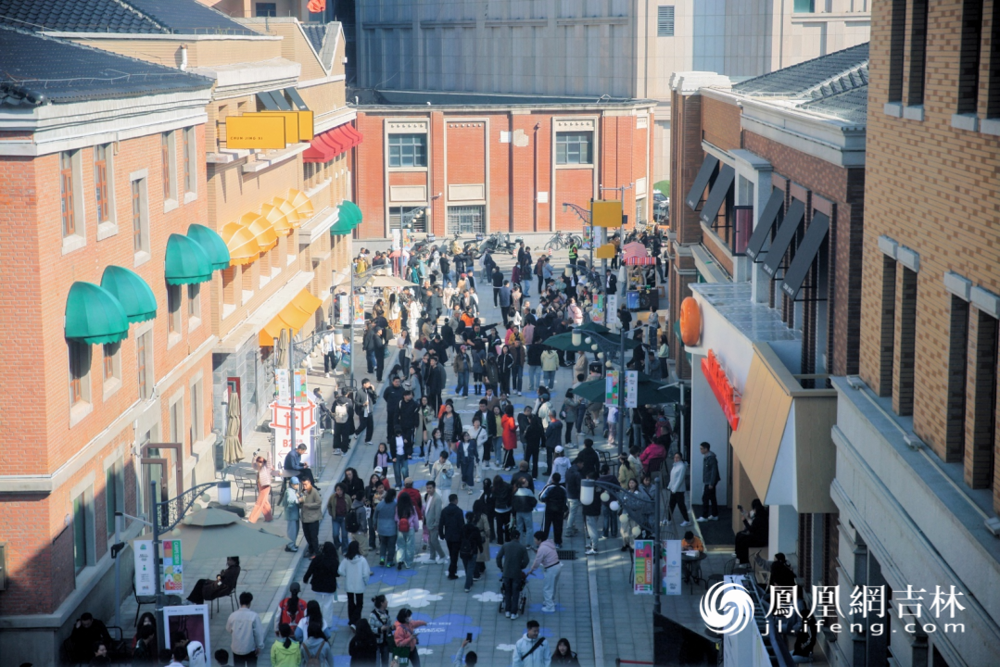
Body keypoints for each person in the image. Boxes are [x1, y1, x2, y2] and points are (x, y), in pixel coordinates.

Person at [303, 542, 339, 623]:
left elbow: (310, 570)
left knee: (318, 603)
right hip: (329, 587)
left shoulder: (317, 559)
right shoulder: (334, 561)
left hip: (317, 586)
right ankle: (327, 623)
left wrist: (305, 579)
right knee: (328, 604)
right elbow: (337, 574)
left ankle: (318, 621)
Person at [496, 531, 529, 619]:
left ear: (510, 537)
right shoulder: (522, 548)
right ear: (518, 537)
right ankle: (513, 613)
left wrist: (501, 567)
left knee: (507, 591)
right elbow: (526, 561)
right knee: (516, 593)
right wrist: (521, 566)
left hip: (506, 572)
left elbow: (498, 557)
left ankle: (507, 610)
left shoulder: (505, 545)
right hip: (517, 573)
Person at [338, 541, 372, 627]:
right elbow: (366, 573)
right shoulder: (362, 560)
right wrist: (365, 582)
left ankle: (351, 620)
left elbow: (340, 570)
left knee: (350, 602)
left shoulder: (346, 560)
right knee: (359, 604)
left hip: (349, 585)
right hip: (359, 585)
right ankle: (355, 620)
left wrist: (347, 575)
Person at [526, 531, 561, 613]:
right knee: (553, 586)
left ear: (540, 539)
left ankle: (550, 606)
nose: (534, 541)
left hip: (551, 568)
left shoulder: (542, 548)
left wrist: (532, 570)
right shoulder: (549, 543)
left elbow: (537, 561)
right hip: (557, 566)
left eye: (535, 539)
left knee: (547, 588)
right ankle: (551, 601)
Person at [226, 592, 264, 667]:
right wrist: (260, 646)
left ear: (240, 602)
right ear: (249, 603)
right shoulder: (254, 616)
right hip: (250, 649)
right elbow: (258, 633)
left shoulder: (233, 615)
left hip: (236, 648)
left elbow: (228, 629)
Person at [735, 499, 769, 565]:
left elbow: (751, 529)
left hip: (759, 540)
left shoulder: (759, 519)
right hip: (757, 536)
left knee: (742, 540)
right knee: (739, 535)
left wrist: (744, 521)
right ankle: (738, 555)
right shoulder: (762, 515)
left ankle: (742, 559)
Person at [440, 493, 465, 580]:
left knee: (451, 552)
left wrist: (441, 534)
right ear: (456, 500)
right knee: (455, 554)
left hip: (448, 535)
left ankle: (453, 567)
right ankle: (452, 572)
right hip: (457, 536)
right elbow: (462, 525)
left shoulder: (444, 511)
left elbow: (441, 524)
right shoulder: (459, 511)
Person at [539, 473, 567, 548]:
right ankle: (558, 542)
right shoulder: (563, 488)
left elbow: (541, 497)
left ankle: (543, 541)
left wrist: (546, 500)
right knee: (558, 526)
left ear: (552, 479)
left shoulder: (548, 487)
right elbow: (566, 499)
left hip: (549, 509)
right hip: (559, 510)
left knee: (546, 526)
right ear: (560, 479)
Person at [460, 510, 485, 592]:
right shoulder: (475, 529)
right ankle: (467, 586)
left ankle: (469, 582)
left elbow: (460, 539)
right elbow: (479, 541)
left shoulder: (463, 528)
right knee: (471, 568)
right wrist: (481, 549)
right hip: (472, 550)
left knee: (466, 568)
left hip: (463, 550)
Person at [423, 480, 447, 563]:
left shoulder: (437, 499)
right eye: (427, 488)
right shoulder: (429, 496)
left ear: (434, 488)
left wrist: (436, 524)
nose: (428, 490)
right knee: (430, 541)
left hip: (434, 525)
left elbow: (438, 513)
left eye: (430, 488)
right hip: (428, 523)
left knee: (434, 541)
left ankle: (442, 555)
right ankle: (432, 557)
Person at [374, 488, 399, 567]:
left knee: (383, 544)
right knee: (391, 546)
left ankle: (382, 558)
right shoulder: (395, 505)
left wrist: (375, 526)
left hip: (381, 529)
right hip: (392, 529)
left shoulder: (380, 504)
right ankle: (389, 562)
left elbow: (375, 517)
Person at [395, 490, 420, 569]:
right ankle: (408, 563)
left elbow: (395, 518)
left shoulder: (398, 508)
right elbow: (415, 520)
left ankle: (399, 560)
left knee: (400, 546)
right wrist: (416, 528)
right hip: (410, 529)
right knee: (410, 546)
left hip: (400, 530)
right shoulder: (412, 508)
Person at [696, 442, 720, 522]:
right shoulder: (707, 457)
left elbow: (714, 471)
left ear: (706, 449)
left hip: (710, 482)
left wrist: (711, 483)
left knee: (705, 498)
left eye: (701, 448)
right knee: (712, 497)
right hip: (708, 481)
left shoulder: (711, 458)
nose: (700, 450)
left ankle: (705, 516)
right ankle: (714, 514)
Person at [299, 478, 323, 559]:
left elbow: (319, 503)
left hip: (313, 519)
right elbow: (301, 503)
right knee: (307, 536)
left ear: (310, 483)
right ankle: (311, 549)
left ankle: (316, 552)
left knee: (313, 536)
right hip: (305, 518)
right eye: (303, 484)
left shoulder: (314, 491)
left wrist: (307, 505)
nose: (304, 486)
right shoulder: (303, 491)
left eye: (306, 484)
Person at [667, 453, 691, 526]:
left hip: (679, 490)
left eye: (677, 457)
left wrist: (674, 489)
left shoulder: (682, 467)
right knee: (671, 505)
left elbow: (680, 479)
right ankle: (669, 519)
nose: (676, 459)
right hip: (673, 489)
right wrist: (670, 486)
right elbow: (672, 478)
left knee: (681, 505)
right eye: (675, 457)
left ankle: (687, 520)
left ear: (681, 458)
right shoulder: (675, 466)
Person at [512, 478, 537, 547]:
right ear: (523, 484)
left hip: (518, 512)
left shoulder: (516, 492)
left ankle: (519, 542)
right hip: (527, 512)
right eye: (526, 482)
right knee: (529, 528)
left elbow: (513, 503)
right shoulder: (529, 492)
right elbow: (534, 502)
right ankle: (528, 544)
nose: (527, 482)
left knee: (519, 527)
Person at [369, 595, 393, 667]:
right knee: (376, 663)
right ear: (382, 603)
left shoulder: (386, 613)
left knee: (385, 662)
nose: (387, 602)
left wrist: (391, 628)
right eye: (386, 600)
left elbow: (389, 625)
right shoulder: (373, 615)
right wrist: (380, 629)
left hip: (385, 642)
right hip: (376, 643)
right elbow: (370, 628)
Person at [248, 455, 273, 523]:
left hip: (265, 486)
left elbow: (269, 462)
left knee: (259, 503)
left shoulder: (266, 467)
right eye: (258, 461)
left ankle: (251, 519)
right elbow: (253, 465)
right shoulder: (257, 467)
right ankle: (269, 517)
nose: (260, 463)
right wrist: (254, 458)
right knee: (264, 502)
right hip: (260, 485)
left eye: (262, 461)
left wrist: (268, 454)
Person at [582, 472, 603, 555]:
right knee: (593, 527)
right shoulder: (599, 486)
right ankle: (592, 544)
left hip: (590, 511)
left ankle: (594, 547)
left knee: (592, 530)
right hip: (596, 510)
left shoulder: (589, 487)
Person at [326, 483, 350, 554]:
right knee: (335, 534)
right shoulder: (333, 497)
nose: (339, 491)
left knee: (344, 535)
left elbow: (350, 506)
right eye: (337, 490)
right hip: (335, 518)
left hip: (344, 518)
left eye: (340, 490)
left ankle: (345, 549)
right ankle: (337, 544)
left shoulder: (347, 497)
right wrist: (331, 513)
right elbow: (329, 506)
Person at [282, 477, 302, 552]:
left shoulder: (294, 491)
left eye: (297, 484)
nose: (296, 485)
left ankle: (292, 544)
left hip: (295, 514)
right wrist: (298, 500)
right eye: (295, 484)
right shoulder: (289, 491)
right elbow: (290, 500)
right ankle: (290, 545)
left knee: (296, 530)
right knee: (292, 531)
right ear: (291, 484)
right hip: (291, 515)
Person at [564, 459, 583, 537]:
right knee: (572, 513)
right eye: (582, 464)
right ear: (579, 463)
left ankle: (572, 527)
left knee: (571, 512)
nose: (583, 466)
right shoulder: (577, 474)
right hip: (574, 496)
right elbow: (579, 486)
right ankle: (569, 529)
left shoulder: (568, 471)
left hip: (568, 494)